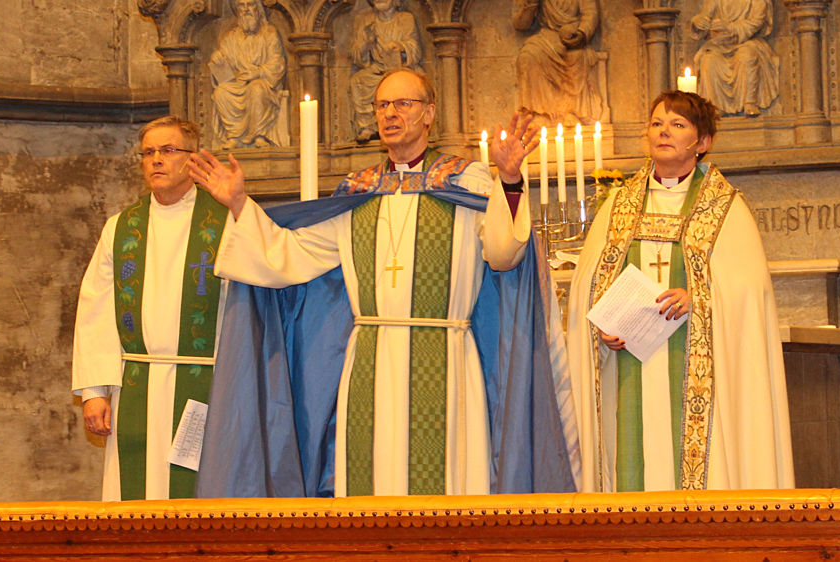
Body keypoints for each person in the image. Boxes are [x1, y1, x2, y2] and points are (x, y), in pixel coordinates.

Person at [185, 69, 578, 498]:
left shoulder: (465, 182)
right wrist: (241, 203)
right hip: (367, 361)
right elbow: (289, 256)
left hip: (446, 357)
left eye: (403, 104)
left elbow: (504, 254)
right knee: (368, 486)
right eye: (382, 105)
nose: (390, 114)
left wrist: (508, 181)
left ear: (429, 113)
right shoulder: (358, 192)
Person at [566, 91, 794, 492]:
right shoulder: (618, 205)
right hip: (627, 369)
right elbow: (589, 285)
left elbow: (747, 293)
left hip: (694, 366)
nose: (663, 132)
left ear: (701, 143)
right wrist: (601, 329)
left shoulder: (726, 208)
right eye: (656, 124)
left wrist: (699, 299)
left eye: (677, 124)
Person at [71, 116, 232, 500]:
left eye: (168, 150)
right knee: (136, 495)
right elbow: (96, 307)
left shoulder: (226, 221)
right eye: (149, 153)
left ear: (193, 160)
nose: (156, 159)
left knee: (197, 497)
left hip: (204, 383)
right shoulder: (122, 228)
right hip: (136, 385)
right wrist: (95, 391)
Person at [210, 0, 287, 149]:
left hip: (263, 82)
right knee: (221, 92)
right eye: (241, 5)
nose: (246, 9)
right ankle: (234, 136)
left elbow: (277, 62)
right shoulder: (231, 37)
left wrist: (258, 72)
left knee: (256, 89)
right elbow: (224, 61)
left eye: (250, 4)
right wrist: (217, 59)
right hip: (238, 84)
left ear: (258, 8)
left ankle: (259, 135)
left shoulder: (269, 33)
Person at [514, 0, 601, 124]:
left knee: (579, 56)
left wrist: (581, 34)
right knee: (528, 56)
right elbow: (521, 25)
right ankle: (541, 113)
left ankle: (572, 111)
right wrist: (531, 4)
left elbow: (591, 13)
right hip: (545, 37)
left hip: (571, 37)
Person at [349, 0, 424, 143]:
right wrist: (367, 42)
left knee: (408, 84)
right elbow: (356, 55)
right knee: (358, 81)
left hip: (400, 68)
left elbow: (415, 49)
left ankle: (407, 124)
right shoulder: (367, 21)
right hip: (378, 69)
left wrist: (400, 47)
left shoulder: (405, 19)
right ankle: (368, 127)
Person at [691, 0, 778, 117]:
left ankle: (750, 102)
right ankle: (715, 106)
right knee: (708, 60)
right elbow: (705, 16)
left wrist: (730, 27)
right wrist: (698, 22)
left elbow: (756, 22)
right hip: (719, 44)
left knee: (747, 56)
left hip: (746, 42)